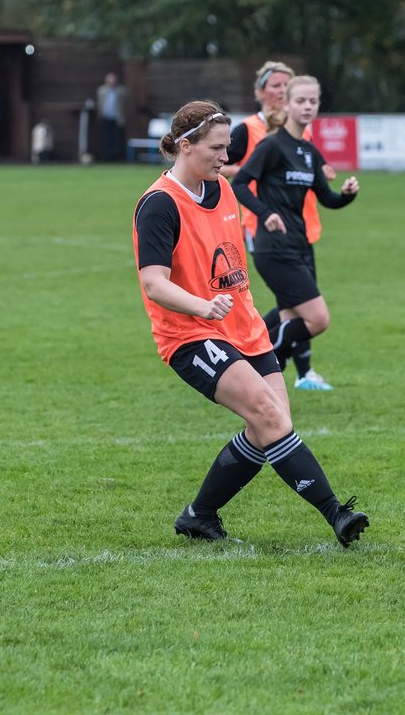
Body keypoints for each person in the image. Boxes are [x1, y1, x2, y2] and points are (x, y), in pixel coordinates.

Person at [133, 100, 369, 547]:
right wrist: (203, 308)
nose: (227, 157)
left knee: (271, 424)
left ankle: (198, 515)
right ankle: (336, 513)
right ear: (185, 145)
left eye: (228, 148)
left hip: (244, 328)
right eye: (218, 148)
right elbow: (153, 284)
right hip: (190, 333)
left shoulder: (221, 187)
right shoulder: (159, 204)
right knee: (266, 415)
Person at [231, 75, 359, 393]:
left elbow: (326, 198)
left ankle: (251, 365)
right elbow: (239, 184)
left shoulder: (308, 152)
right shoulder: (272, 145)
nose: (307, 106)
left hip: (300, 245)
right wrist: (266, 213)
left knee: (289, 316)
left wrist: (346, 194)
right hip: (273, 247)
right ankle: (262, 363)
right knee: (318, 319)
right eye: (300, 100)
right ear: (286, 103)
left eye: (312, 101)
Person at [96, 72, 127, 162]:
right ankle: (105, 157)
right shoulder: (101, 90)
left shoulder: (121, 91)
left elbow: (124, 105)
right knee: (106, 139)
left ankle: (117, 158)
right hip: (105, 117)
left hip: (117, 119)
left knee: (117, 139)